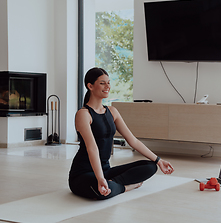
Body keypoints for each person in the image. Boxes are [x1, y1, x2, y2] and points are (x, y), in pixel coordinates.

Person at [68, 67, 174, 200]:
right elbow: (92, 148)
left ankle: (111, 185)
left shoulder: (112, 111)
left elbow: (133, 141)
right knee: (99, 192)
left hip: (106, 171)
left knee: (150, 167)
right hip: (83, 174)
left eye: (109, 82)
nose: (108, 86)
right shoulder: (83, 114)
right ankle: (125, 187)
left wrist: (159, 160)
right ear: (90, 86)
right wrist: (100, 179)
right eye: (102, 83)